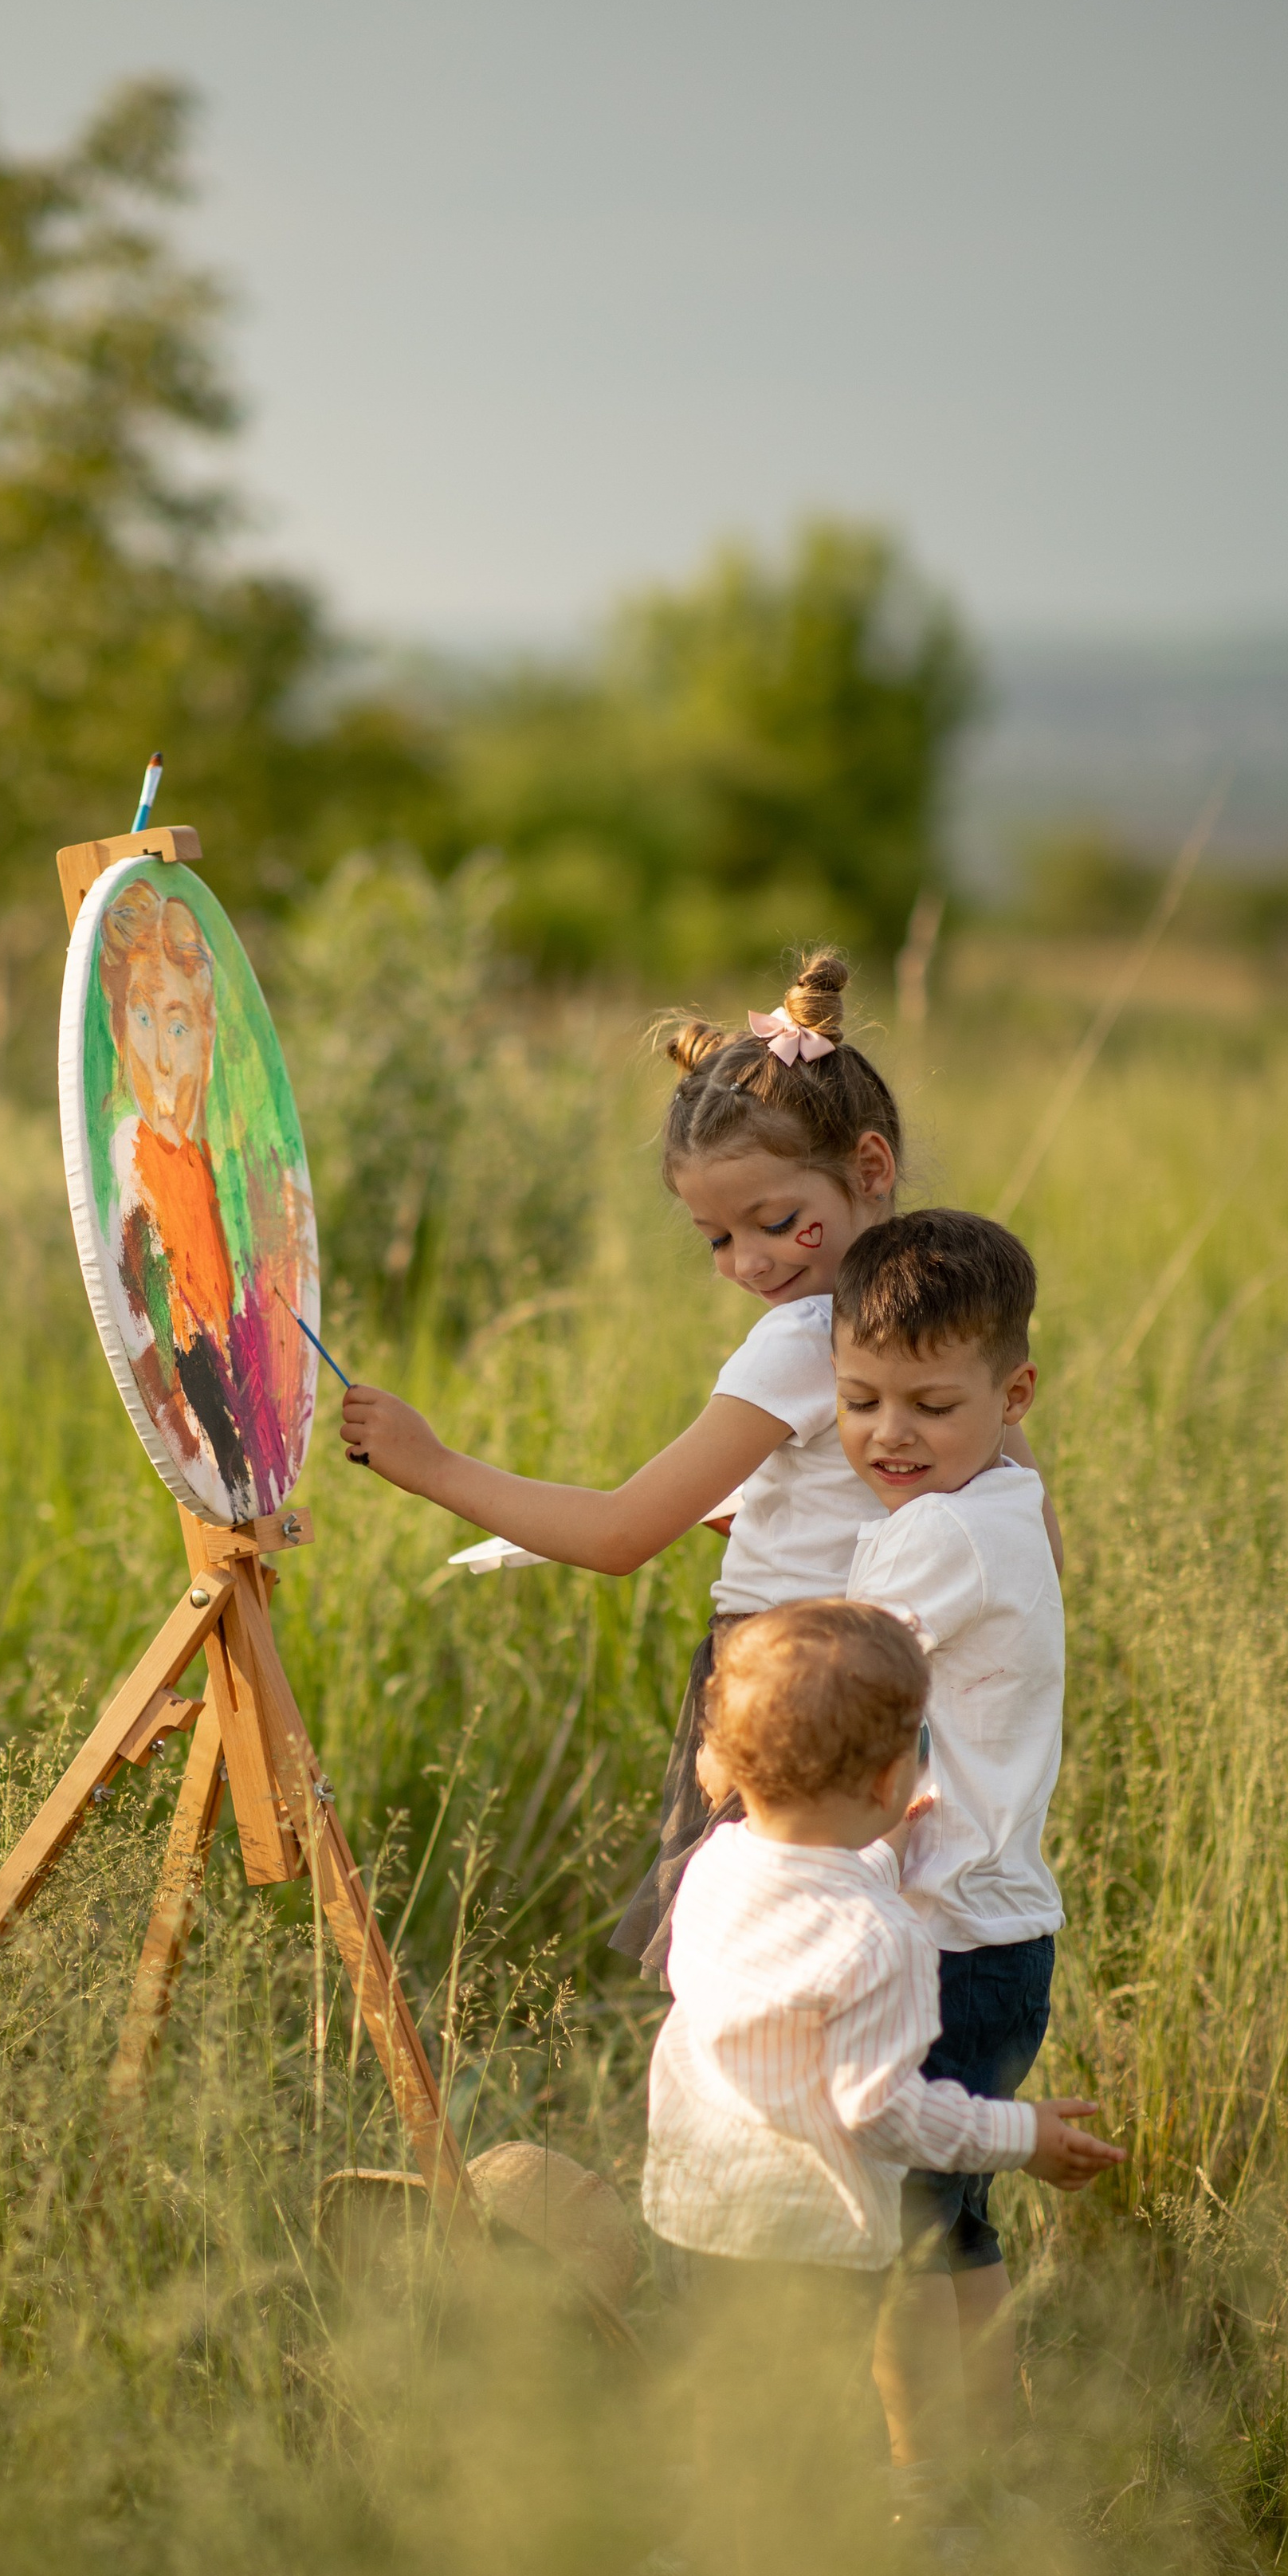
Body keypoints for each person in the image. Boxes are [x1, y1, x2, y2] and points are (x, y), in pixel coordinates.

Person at [336, 949, 1059, 1967]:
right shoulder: (946, 1337)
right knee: (861, 1970)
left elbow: (620, 1533)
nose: (751, 1262)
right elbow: (1031, 1536)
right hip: (896, 1694)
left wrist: (431, 1462)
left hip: (781, 1684)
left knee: (749, 1967)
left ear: (869, 1168)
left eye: (774, 1221)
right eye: (715, 1239)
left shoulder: (806, 1337)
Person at [639, 1600, 1119, 2485]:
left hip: (696, 2205)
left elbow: (805, 1880)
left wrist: (881, 1842)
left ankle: (722, 2559)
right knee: (820, 2427)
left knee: (734, 2404)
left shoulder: (716, 1865)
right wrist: (1022, 2135)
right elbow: (881, 2113)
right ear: (892, 1775)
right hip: (802, 2230)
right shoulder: (883, 1938)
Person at [828, 1208, 1067, 2487]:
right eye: (860, 1401)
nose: (887, 1436)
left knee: (902, 2236)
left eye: (929, 1405)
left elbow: (839, 1683)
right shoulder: (1006, 1506)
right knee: (949, 2221)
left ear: (1011, 1392)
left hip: (941, 1941)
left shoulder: (938, 1533)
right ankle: (987, 2463)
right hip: (1002, 1937)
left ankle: (931, 2499)